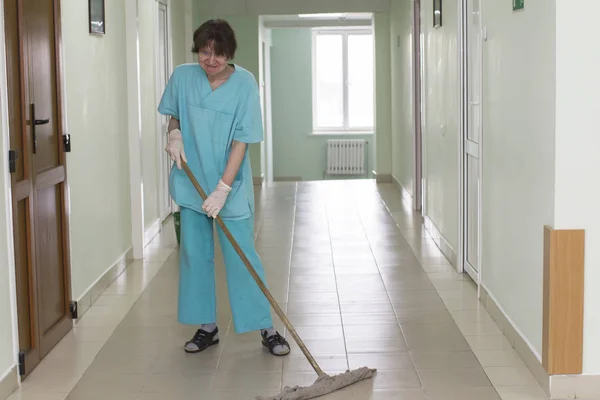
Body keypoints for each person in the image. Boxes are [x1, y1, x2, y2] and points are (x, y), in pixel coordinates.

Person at [157, 19, 290, 356]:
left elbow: (243, 141)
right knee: (194, 256)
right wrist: (174, 133)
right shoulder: (183, 76)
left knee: (242, 257)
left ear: (229, 54)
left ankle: (267, 327)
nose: (210, 61)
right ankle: (207, 327)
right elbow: (173, 112)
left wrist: (223, 188)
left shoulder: (244, 84)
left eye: (218, 55)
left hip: (228, 185)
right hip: (191, 183)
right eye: (205, 53)